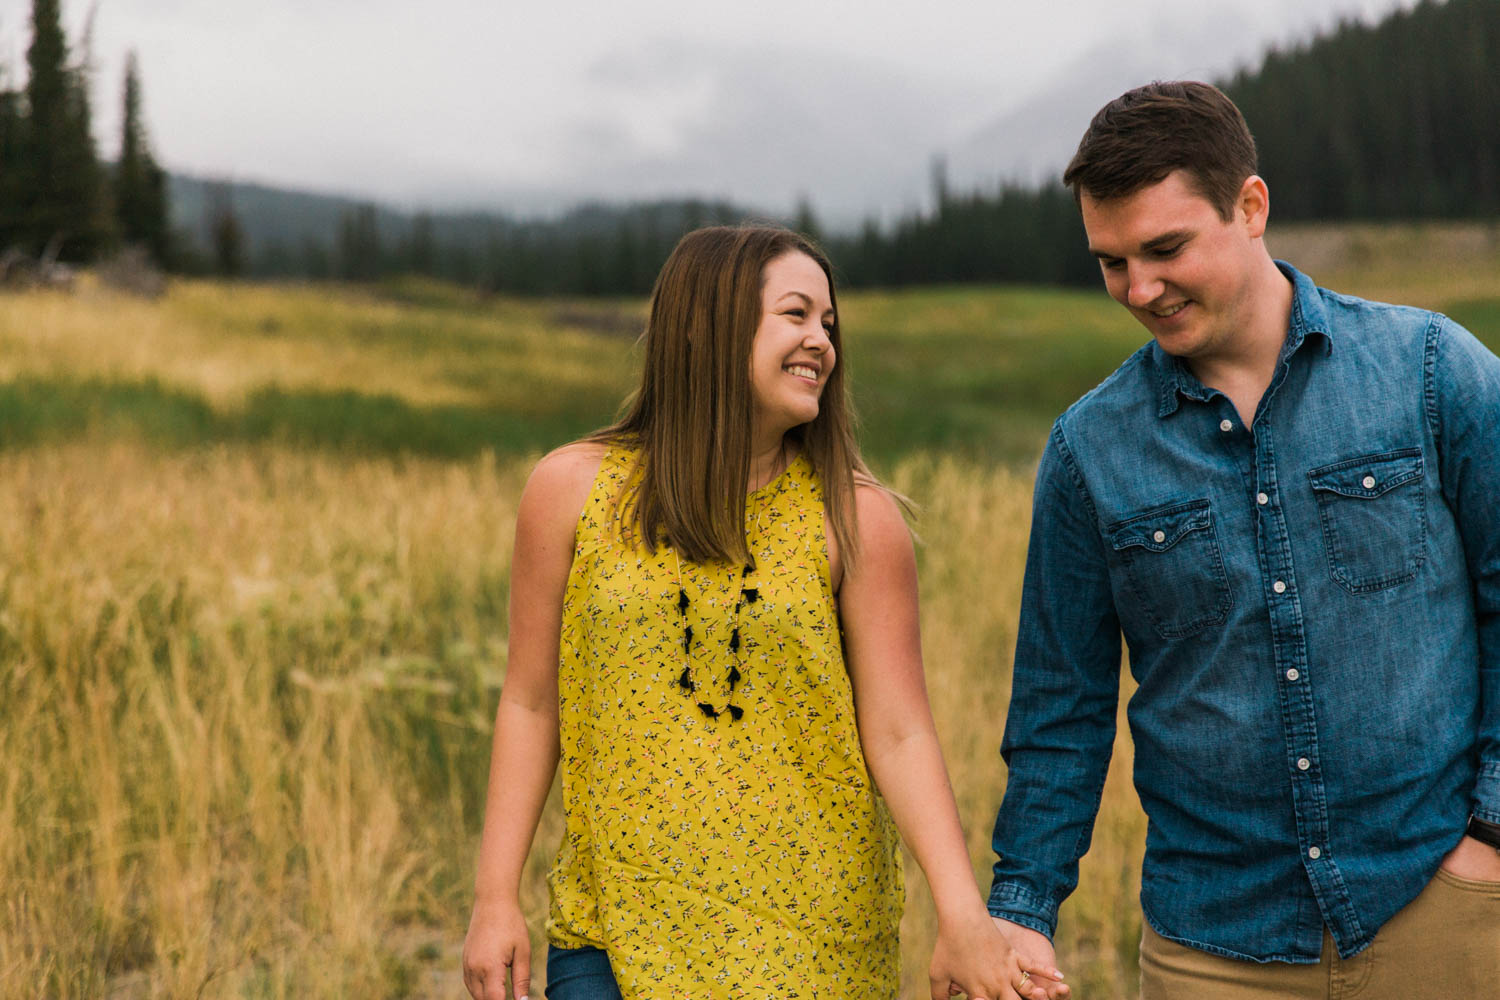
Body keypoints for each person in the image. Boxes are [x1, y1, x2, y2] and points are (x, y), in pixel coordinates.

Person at [986, 80, 1500, 1000]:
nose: (1139, 289)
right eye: (1111, 262)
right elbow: (1061, 709)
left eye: (1165, 248)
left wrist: (1492, 837)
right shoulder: (1087, 451)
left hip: (1444, 907)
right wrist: (1022, 909)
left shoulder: (1432, 371)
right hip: (1213, 947)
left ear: (1251, 207)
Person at [463, 225, 1061, 1000]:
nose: (822, 342)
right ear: (705, 325)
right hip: (612, 927)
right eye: (797, 315)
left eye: (830, 324)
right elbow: (530, 701)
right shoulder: (570, 491)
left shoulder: (856, 519)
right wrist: (493, 898)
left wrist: (962, 913)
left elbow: (900, 729)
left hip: (813, 945)